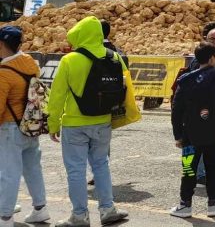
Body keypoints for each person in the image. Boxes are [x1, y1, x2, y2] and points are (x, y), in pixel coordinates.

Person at [47, 16, 129, 227]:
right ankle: (108, 210)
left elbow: (57, 96)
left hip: (74, 124)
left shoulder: (70, 60)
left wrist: (53, 124)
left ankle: (79, 216)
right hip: (103, 121)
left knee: (76, 170)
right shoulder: (114, 57)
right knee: (101, 165)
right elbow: (125, 87)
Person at [169, 42, 215, 219]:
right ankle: (214, 203)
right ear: (212, 58)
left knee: (188, 169)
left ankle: (185, 205)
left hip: (189, 135)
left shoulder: (185, 80)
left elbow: (176, 110)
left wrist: (178, 135)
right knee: (213, 169)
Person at [0, 26, 49, 227]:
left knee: (8, 173)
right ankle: (40, 209)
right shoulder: (30, 62)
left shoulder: (4, 73)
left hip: (10, 129)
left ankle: (5, 217)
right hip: (30, 125)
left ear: (1, 45)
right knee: (32, 169)